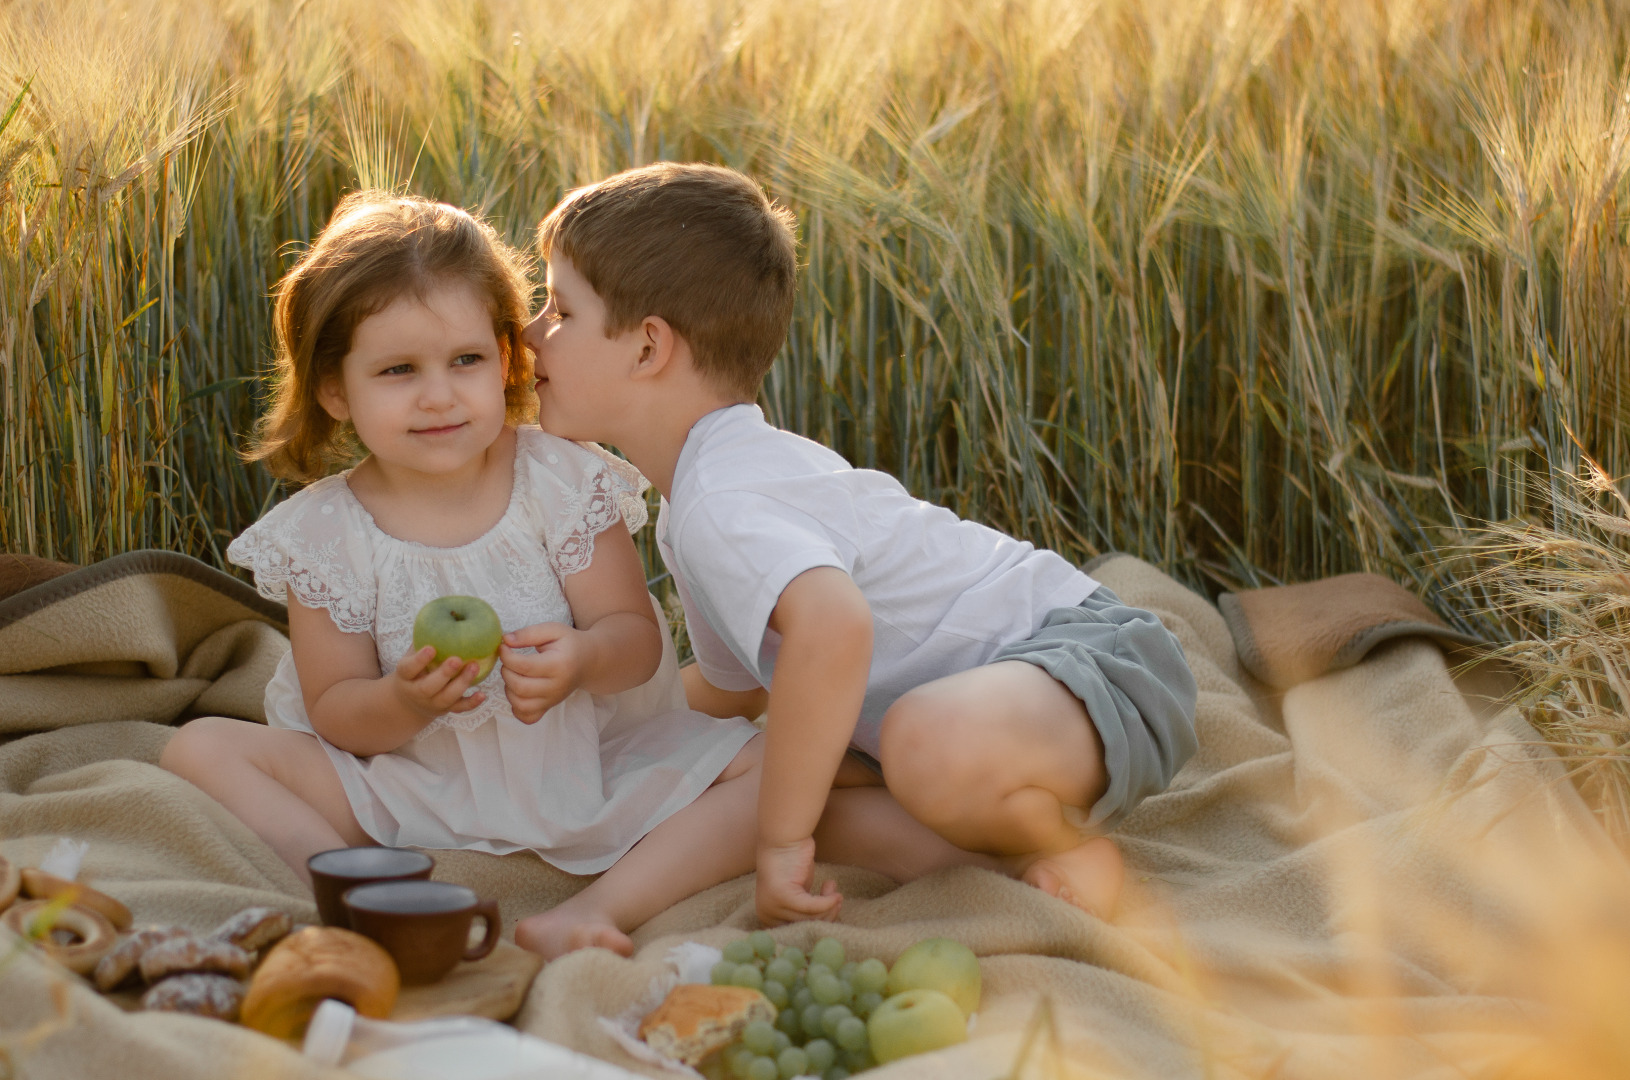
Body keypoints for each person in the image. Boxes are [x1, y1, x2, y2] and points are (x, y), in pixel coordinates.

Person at [522, 162, 1200, 926]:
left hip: (1088, 667)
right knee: (799, 789)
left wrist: (780, 845)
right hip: (1002, 710)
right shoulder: (695, 504)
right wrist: (610, 731)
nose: (529, 332)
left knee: (876, 765)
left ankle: (1053, 832)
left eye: (558, 309)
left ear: (648, 348)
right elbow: (736, 686)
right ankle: (1016, 860)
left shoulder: (725, 497)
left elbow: (835, 627)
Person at [159, 190, 764, 960]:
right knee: (199, 747)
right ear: (335, 389)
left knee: (769, 767)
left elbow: (634, 642)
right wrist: (405, 699)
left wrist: (581, 659)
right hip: (407, 782)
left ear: (507, 358)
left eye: (467, 360)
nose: (439, 395)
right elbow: (338, 710)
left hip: (576, 764)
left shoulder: (560, 481)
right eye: (398, 369)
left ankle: (609, 902)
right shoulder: (323, 536)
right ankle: (361, 889)